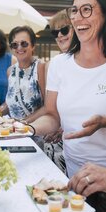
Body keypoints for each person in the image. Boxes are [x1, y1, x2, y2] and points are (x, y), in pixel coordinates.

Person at [30, 0, 106, 212]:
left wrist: (105, 121)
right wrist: (28, 128)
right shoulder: (60, 65)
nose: (78, 17)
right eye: (74, 9)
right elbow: (52, 116)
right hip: (73, 184)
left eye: (87, 10)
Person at [4, 25, 45, 148]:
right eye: (14, 45)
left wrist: (24, 122)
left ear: (33, 46)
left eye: (24, 44)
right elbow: (13, 100)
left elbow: (48, 106)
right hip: (14, 134)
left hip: (36, 133)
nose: (19, 48)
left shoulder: (41, 67)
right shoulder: (10, 71)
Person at [44, 9, 73, 172]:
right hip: (56, 138)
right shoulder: (55, 63)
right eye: (56, 32)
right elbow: (50, 108)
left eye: (64, 30)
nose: (60, 36)